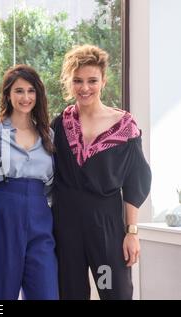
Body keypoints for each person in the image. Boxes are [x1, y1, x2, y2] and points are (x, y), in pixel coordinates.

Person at [52, 44, 152, 300]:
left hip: (106, 225)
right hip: (66, 225)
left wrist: (132, 233)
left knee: (114, 291)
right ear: (69, 82)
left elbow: (134, 181)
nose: (85, 87)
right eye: (78, 81)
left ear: (103, 81)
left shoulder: (124, 126)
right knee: (70, 293)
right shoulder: (59, 124)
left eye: (92, 80)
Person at [0, 65, 58, 300]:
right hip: (0, 218)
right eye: (19, 91)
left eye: (31, 91)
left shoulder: (49, 136)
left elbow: (53, 188)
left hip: (40, 217)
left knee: (47, 293)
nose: (26, 97)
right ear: (8, 94)